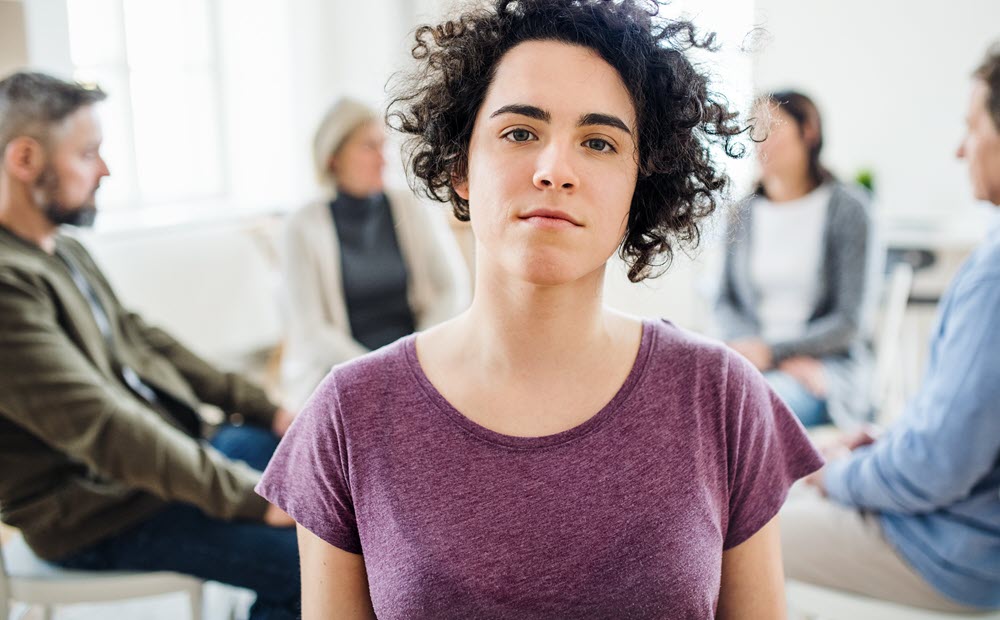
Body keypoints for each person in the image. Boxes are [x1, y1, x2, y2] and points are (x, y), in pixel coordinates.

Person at [258, 2, 824, 618]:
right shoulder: (348, 414)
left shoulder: (720, 397)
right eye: (520, 133)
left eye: (600, 142)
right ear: (460, 167)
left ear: (641, 186)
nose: (555, 170)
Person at [0, 72, 299, 619]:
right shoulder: (5, 285)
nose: (105, 170)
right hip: (95, 514)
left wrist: (268, 408)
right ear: (24, 160)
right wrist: (245, 497)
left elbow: (144, 340)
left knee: (314, 464)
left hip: (152, 471)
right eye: (88, 154)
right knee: (317, 560)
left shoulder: (61, 249)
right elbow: (104, 424)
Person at [780, 45, 1000, 612]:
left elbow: (940, 463)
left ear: (808, 133)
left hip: (956, 551)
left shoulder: (993, 274)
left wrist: (843, 478)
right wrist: (892, 443)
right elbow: (960, 433)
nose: (960, 149)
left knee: (734, 532)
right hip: (954, 510)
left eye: (972, 128)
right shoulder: (745, 211)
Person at [280, 97, 470, 408]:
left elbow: (452, 287)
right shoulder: (301, 226)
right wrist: (379, 374)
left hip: (418, 363)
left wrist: (415, 361)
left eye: (384, 146)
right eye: (369, 147)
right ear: (333, 157)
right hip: (342, 372)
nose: (384, 160)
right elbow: (312, 331)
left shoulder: (410, 206)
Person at [716, 91, 878, 429]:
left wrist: (773, 352)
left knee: (748, 410)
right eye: (753, 129)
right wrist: (759, 355)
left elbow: (850, 322)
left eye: (771, 128)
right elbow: (725, 302)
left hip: (823, 370)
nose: (760, 140)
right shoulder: (741, 213)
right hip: (753, 364)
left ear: (809, 132)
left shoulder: (850, 210)